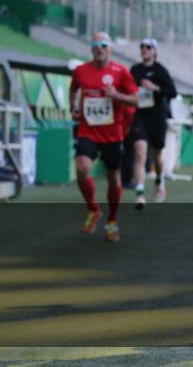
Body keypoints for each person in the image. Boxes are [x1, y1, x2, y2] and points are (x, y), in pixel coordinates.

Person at [69, 32, 139, 243]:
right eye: (96, 45)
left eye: (104, 45)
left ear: (111, 49)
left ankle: (112, 220)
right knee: (82, 168)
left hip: (112, 132)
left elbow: (136, 100)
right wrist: (73, 106)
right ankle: (93, 209)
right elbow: (73, 89)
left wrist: (116, 95)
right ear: (91, 49)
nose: (99, 48)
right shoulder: (81, 71)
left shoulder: (121, 72)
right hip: (88, 130)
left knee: (113, 178)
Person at [124, 38, 178, 208]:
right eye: (142, 47)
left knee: (157, 156)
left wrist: (155, 88)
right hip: (140, 115)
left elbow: (173, 92)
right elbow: (126, 89)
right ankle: (139, 194)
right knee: (140, 153)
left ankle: (159, 181)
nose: (144, 50)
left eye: (148, 47)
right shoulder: (135, 70)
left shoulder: (160, 71)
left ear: (154, 51)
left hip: (157, 117)